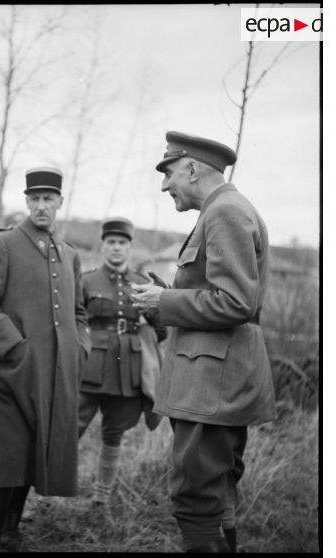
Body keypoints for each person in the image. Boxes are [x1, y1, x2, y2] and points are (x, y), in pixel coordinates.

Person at [131, 131, 277, 553]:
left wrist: (167, 300)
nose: (164, 185)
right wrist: (165, 302)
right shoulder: (225, 209)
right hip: (215, 379)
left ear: (192, 169)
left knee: (197, 498)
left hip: (211, 385)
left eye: (169, 172)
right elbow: (223, 296)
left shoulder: (225, 213)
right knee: (217, 493)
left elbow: (235, 303)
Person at [0, 167, 91, 552]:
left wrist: (79, 347)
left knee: (32, 451)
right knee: (7, 453)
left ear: (59, 203)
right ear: (27, 202)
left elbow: (79, 313)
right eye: (34, 199)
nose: (41, 207)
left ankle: (10, 531)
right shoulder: (2, 244)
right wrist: (14, 348)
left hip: (53, 376)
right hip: (7, 373)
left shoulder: (70, 255)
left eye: (48, 200)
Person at [78, 217, 166, 508]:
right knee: (69, 428)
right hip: (90, 365)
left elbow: (161, 332)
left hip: (128, 368)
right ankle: (44, 492)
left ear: (130, 248)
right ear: (103, 247)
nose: (116, 248)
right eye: (111, 242)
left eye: (122, 243)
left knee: (114, 432)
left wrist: (160, 307)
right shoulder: (86, 280)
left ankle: (101, 498)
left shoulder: (143, 284)